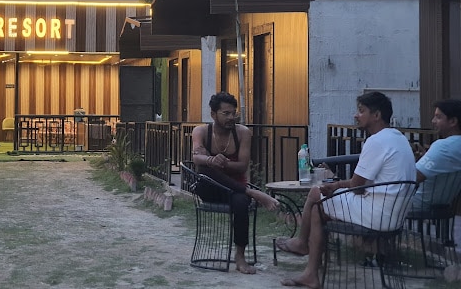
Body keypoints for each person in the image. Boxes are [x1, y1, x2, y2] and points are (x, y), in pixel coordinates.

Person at [276, 91, 416, 289]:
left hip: (377, 214)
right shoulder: (398, 138)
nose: (356, 115)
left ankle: (307, 261)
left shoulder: (376, 141)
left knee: (317, 198)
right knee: (320, 200)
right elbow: (364, 184)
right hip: (394, 215)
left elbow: (357, 186)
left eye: (361, 111)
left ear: (376, 115)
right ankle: (306, 252)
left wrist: (335, 185)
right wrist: (340, 186)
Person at [191, 91, 279, 275]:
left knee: (241, 202)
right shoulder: (201, 131)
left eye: (233, 113)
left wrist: (222, 163)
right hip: (210, 189)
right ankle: (252, 192)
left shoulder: (243, 133)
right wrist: (211, 160)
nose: (231, 117)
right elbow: (197, 158)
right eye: (226, 113)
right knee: (206, 169)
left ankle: (240, 257)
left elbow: (242, 166)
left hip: (235, 190)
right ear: (213, 114)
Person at [412, 98, 461, 211]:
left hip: (417, 206)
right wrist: (425, 158)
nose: (433, 121)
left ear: (453, 121)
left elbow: (413, 177)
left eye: (438, 117)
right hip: (444, 206)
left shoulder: (443, 146)